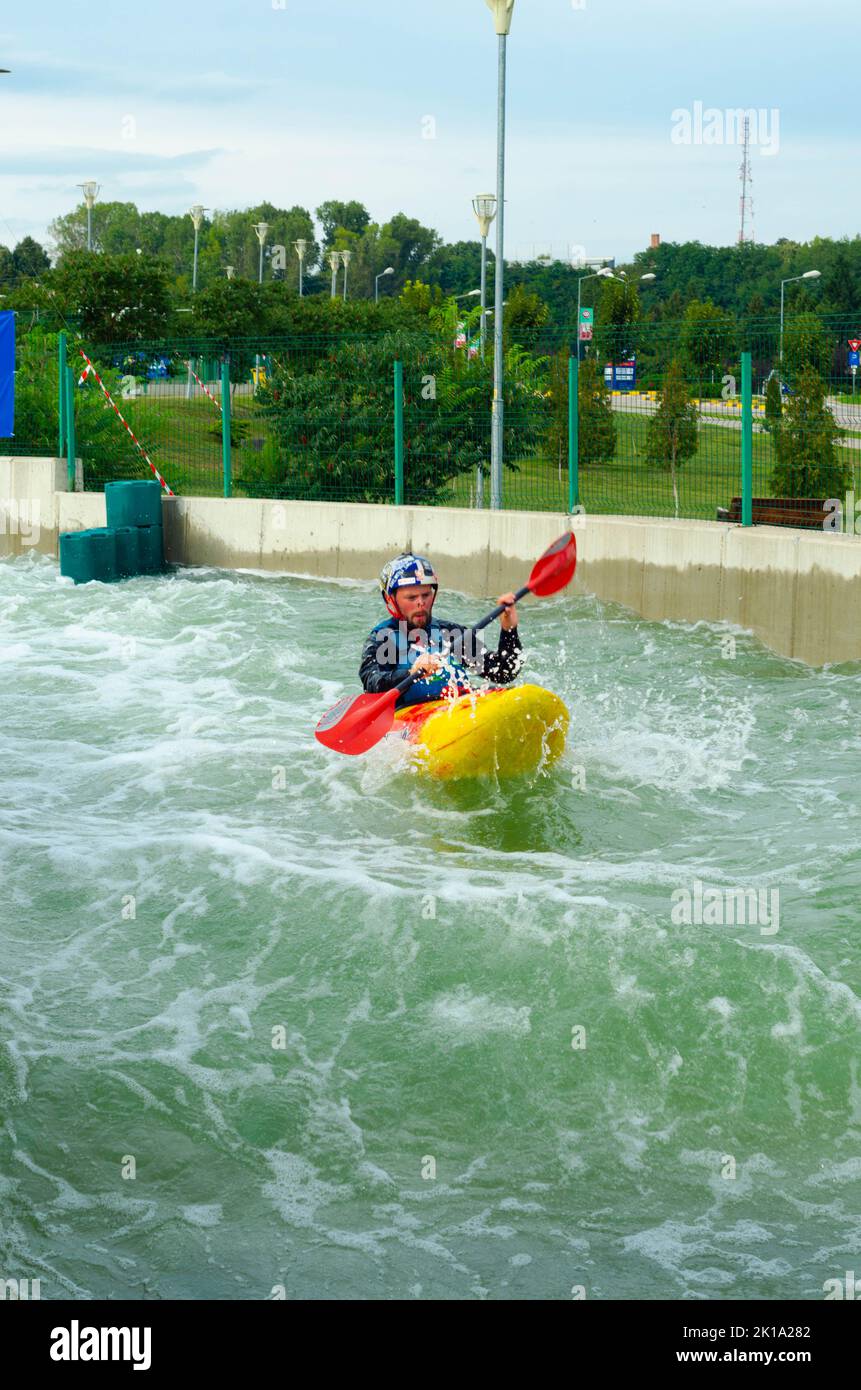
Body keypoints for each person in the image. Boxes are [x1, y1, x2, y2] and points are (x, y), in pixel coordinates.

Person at [359, 552, 523, 709]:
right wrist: (410, 672)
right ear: (391, 599)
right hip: (411, 717)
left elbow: (504, 673)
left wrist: (509, 629)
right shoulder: (383, 638)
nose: (421, 603)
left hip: (455, 709)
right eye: (411, 598)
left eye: (425, 595)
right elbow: (372, 683)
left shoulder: (451, 633)